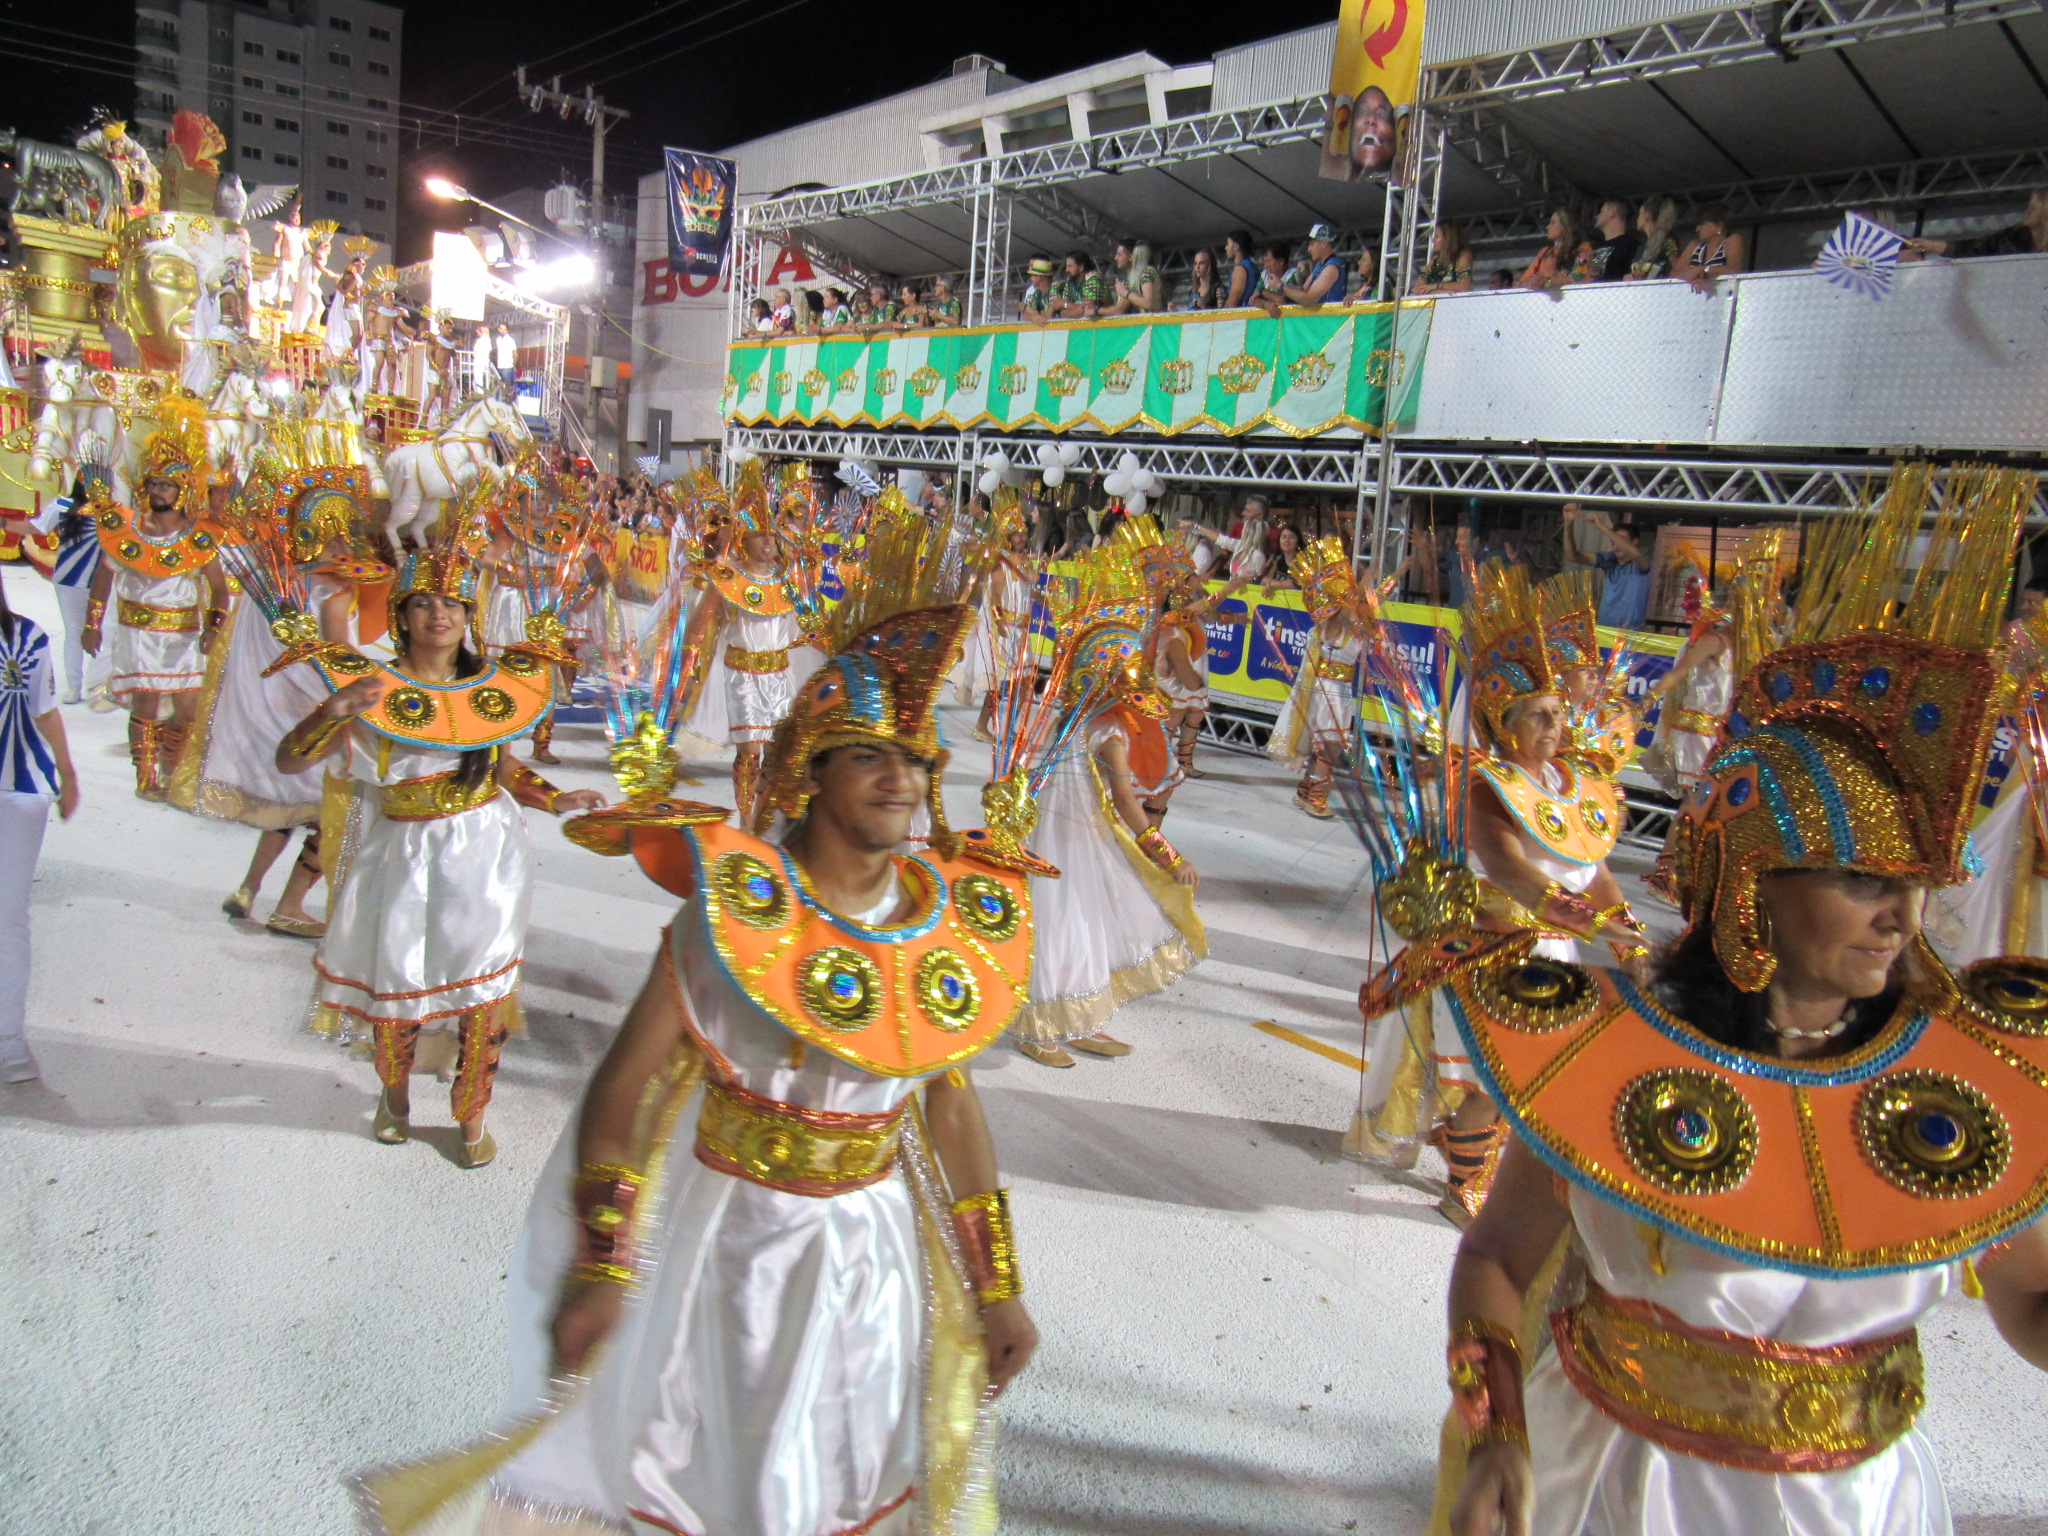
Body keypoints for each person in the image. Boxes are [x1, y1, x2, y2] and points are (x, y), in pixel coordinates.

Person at [355, 525, 1040, 1536]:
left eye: (911, 759)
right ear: (811, 771)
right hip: (734, 1251)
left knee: (849, 1486)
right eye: (867, 756)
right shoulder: (730, 916)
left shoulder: (940, 925)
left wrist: (996, 1286)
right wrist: (601, 1264)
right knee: (734, 1488)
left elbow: (948, 1099)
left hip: (873, 1253)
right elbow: (626, 1086)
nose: (898, 779)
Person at [1438, 465, 2048, 1536]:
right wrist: (1495, 1428)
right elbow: (1496, 1257)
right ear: (1752, 886)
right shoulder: (1609, 1049)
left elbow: (2029, 1302)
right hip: (1615, 1488)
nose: (1898, 917)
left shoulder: (1960, 1084)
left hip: (1857, 1505)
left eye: (1910, 884)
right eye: (1859, 879)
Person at [276, 533, 605, 1168]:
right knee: (399, 977)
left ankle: (472, 1112)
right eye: (423, 603)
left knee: (483, 985)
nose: (439, 614)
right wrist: (331, 711)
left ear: (468, 616)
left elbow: (502, 765)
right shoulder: (369, 686)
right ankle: (394, 1097)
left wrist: (555, 797)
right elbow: (289, 760)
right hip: (401, 849)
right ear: (401, 616)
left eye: (453, 603)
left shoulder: (490, 686)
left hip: (484, 850)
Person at [1351, 561, 1641, 1220]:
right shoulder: (1490, 786)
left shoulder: (1575, 785)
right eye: (1537, 716)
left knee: (1533, 1074)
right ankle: (1464, 1188)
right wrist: (1586, 921)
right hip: (1496, 946)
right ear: (1505, 724)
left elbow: (1594, 866)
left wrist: (1625, 931)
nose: (1553, 727)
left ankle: (1465, 1157)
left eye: (1557, 714)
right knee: (1497, 1077)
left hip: (1557, 947)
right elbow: (1510, 870)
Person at [175, 451, 375, 937]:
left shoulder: (273, 578)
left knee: (287, 810)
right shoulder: (334, 588)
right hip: (316, 710)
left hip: (275, 708)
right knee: (335, 814)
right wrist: (379, 678)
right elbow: (339, 652)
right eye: (344, 532)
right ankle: (290, 905)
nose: (348, 541)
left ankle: (248, 888)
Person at [1011, 576, 1204, 1067]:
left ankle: (1079, 1016)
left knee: (1085, 921)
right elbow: (1126, 801)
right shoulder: (1106, 730)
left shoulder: (1073, 716)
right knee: (1066, 921)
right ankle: (1037, 1025)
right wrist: (1168, 855)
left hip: (1075, 836)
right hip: (1068, 842)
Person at [81, 406, 229, 800]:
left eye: (167, 485)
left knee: (189, 711)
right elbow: (103, 578)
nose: (158, 491)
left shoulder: (200, 536)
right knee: (145, 706)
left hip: (185, 636)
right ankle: (146, 779)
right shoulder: (126, 530)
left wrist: (214, 628)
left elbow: (219, 589)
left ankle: (173, 772)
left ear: (183, 492)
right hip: (139, 634)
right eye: (154, 484)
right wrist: (92, 624)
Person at [0, 580, 80, 1085]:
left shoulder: (26, 638)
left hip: (21, 788)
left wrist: (67, 773)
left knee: (8, 917)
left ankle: (9, 1039)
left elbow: (44, 709)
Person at [1268, 537, 1365, 820]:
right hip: (1330, 694)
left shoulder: (1332, 626)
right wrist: (1374, 579)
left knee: (1320, 748)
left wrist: (1392, 575)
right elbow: (1364, 602)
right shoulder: (1339, 626)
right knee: (1328, 750)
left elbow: (1368, 601)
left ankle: (1304, 792)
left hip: (1326, 691)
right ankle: (1317, 800)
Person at [1643, 573, 1735, 795]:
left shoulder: (1740, 644)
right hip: (1696, 737)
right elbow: (1677, 675)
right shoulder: (1710, 642)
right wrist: (1646, 703)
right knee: (1696, 800)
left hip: (1716, 735)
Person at [1904, 190, 2048, 258]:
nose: (2027, 212)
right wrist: (1932, 245)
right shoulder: (2010, 236)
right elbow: (1973, 248)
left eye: (2034, 208)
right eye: (2028, 207)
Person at [1592, 518, 1653, 631]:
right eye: (1613, 542)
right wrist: (1568, 522)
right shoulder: (1610, 560)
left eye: (1621, 540)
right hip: (1604, 632)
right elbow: (1571, 556)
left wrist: (1601, 526)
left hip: (1630, 634)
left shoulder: (1641, 562)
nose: (1616, 546)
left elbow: (1634, 553)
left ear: (1635, 541)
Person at [1671, 202, 1746, 291]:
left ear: (1719, 226)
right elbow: (1673, 274)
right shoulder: (1694, 245)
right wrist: (1694, 277)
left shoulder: (1733, 240)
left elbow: (1733, 270)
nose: (1697, 229)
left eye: (1703, 224)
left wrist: (1702, 270)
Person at [1520, 208, 1594, 292]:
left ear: (1566, 225)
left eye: (1553, 223)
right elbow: (1523, 280)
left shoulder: (1583, 249)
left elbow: (1579, 277)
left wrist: (1547, 282)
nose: (1547, 227)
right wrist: (1530, 282)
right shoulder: (1545, 252)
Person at [1283, 223, 1349, 306]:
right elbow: (1303, 289)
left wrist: (1282, 288)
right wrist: (1280, 285)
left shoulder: (1331, 268)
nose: (1309, 249)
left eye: (1312, 244)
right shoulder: (1320, 265)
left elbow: (1308, 299)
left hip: (1330, 314)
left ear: (1324, 243)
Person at [1583, 198, 1642, 282]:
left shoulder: (1631, 245)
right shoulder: (1595, 247)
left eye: (1601, 212)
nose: (1597, 216)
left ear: (1612, 213)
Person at [1627, 195, 1681, 279]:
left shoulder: (1667, 241)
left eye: (1640, 214)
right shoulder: (1642, 248)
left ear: (1647, 215)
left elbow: (1678, 268)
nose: (1637, 219)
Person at [1413, 220, 1474, 294]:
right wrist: (1438, 292)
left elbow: (1464, 287)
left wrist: (1437, 286)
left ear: (1448, 239)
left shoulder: (1463, 256)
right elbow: (1417, 289)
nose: (1433, 240)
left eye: (1437, 237)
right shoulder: (1435, 260)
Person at [1103, 238, 1160, 315]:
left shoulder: (1147, 272)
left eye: (1119, 254)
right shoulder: (1131, 278)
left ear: (1130, 257)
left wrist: (1125, 292)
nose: (1115, 258)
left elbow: (1148, 303)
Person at [1223, 229, 1258, 308]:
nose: (1226, 248)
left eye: (1228, 244)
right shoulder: (1252, 266)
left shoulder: (1240, 269)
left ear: (1236, 246)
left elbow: (1234, 299)